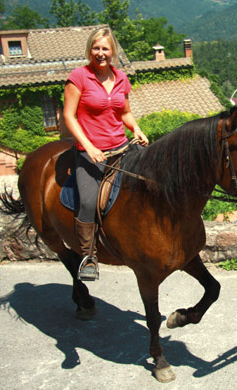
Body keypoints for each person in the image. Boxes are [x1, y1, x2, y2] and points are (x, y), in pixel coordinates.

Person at [63, 27, 149, 281]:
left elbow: (124, 113)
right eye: (96, 48)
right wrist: (88, 147)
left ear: (113, 52)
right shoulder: (78, 77)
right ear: (90, 50)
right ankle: (89, 256)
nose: (100, 53)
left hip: (122, 147)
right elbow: (69, 115)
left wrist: (137, 128)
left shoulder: (121, 78)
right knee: (89, 201)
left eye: (105, 49)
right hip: (91, 153)